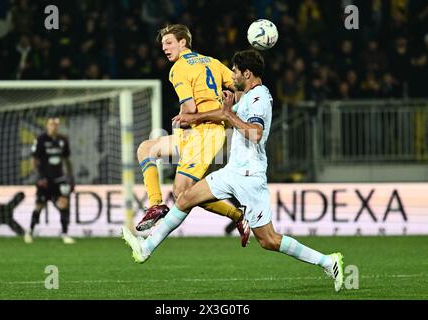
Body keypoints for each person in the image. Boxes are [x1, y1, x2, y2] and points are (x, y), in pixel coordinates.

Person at [122, 50, 344, 292]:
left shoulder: (259, 98)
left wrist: (228, 113)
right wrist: (193, 118)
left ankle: (327, 261)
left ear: (247, 73)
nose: (233, 75)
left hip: (249, 177)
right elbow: (223, 115)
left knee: (268, 240)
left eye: (236, 71)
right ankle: (146, 249)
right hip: (232, 172)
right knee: (184, 198)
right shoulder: (247, 96)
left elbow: (255, 134)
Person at [135, 24, 250, 246]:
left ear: (182, 43)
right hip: (204, 131)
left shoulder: (178, 69)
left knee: (182, 192)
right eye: (162, 45)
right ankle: (156, 205)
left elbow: (190, 108)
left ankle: (237, 215)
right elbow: (241, 85)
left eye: (169, 43)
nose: (165, 48)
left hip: (206, 132)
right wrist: (233, 102)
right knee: (147, 148)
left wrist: (182, 116)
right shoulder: (211, 61)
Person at [24, 117, 75, 244]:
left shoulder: (63, 140)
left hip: (59, 179)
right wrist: (39, 177)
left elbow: (67, 160)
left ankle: (65, 234)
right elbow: (34, 159)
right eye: (51, 124)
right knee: (39, 206)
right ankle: (29, 231)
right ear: (47, 126)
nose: (54, 127)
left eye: (56, 124)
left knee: (64, 203)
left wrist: (70, 176)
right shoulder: (40, 139)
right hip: (44, 180)